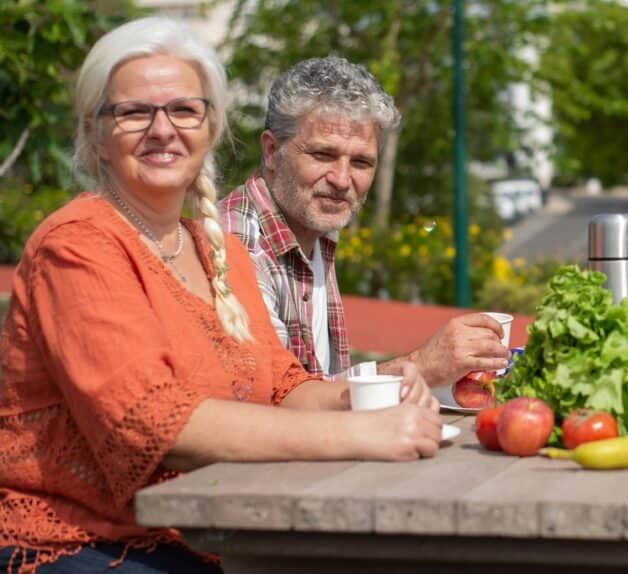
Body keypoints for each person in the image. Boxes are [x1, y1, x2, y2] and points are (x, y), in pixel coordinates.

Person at [0, 18, 442, 573]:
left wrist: (378, 393)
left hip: (208, 536)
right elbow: (151, 421)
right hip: (84, 545)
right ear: (95, 133)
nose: (163, 130)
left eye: (184, 110)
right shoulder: (77, 245)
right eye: (135, 112)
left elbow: (284, 386)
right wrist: (356, 431)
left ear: (210, 128)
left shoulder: (219, 252)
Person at [218, 57, 510, 386]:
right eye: (323, 155)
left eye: (360, 161)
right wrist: (418, 367)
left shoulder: (316, 227)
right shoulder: (238, 245)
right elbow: (275, 400)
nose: (342, 180)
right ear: (272, 151)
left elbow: (316, 384)